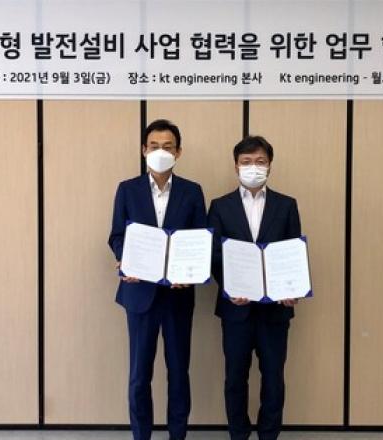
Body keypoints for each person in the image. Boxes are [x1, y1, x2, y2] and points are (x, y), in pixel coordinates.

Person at [108, 119, 206, 440]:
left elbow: (200, 240)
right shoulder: (127, 189)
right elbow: (117, 235)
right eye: (154, 146)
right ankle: (141, 436)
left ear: (178, 152)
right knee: (139, 376)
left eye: (167, 146)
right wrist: (125, 258)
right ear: (143, 150)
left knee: (178, 373)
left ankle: (178, 435)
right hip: (139, 294)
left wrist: (189, 272)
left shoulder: (192, 191)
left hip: (178, 296)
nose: (160, 152)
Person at [208, 135, 301, 440]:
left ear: (270, 165)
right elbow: (214, 256)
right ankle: (238, 434)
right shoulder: (220, 206)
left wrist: (292, 288)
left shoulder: (286, 205)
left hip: (275, 311)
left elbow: (292, 254)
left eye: (260, 161)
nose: (253, 167)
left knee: (273, 379)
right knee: (235, 379)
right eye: (246, 162)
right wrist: (229, 288)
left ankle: (268, 435)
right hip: (236, 309)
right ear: (236, 166)